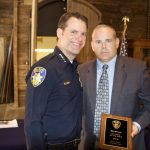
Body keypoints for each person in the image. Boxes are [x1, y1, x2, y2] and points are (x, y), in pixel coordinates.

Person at [78, 24, 150, 150]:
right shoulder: (81, 70)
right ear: (92, 45)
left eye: (108, 41)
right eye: (98, 42)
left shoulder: (137, 69)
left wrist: (136, 126)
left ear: (117, 43)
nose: (104, 46)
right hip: (89, 144)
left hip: (127, 144)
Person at [24, 12, 88, 150]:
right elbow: (33, 122)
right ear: (60, 32)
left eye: (83, 34)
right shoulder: (44, 69)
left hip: (75, 145)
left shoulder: (77, 68)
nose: (79, 38)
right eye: (74, 32)